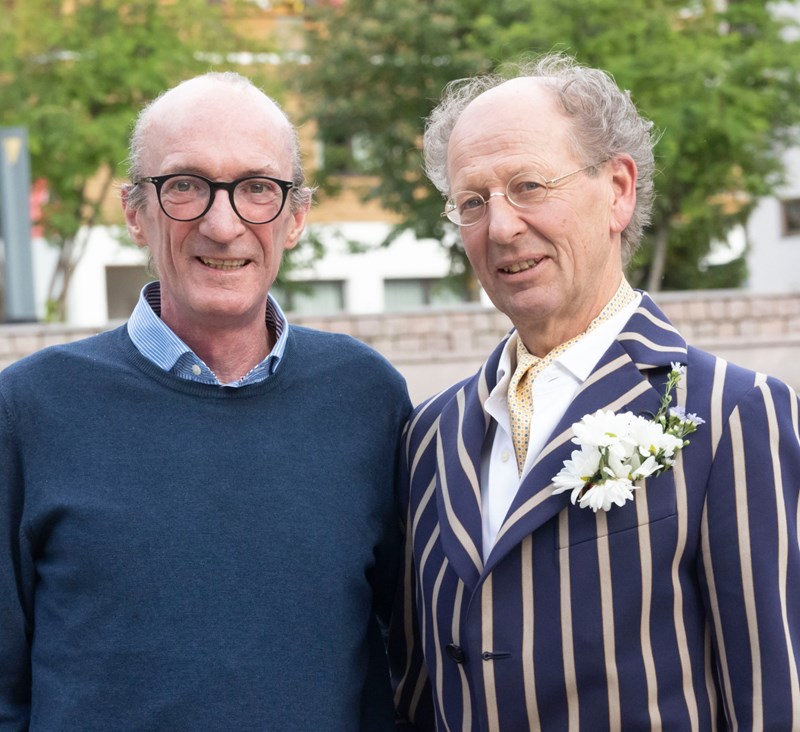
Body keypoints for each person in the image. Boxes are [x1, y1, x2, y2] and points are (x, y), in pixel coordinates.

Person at [390, 54, 800, 731]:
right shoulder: (429, 434)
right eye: (472, 202)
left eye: (527, 185)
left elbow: (775, 699)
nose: (500, 228)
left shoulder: (732, 412)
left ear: (617, 190)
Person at [0, 72, 411, 730]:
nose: (224, 226)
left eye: (257, 188)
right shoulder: (28, 410)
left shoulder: (367, 397)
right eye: (185, 185)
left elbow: (406, 655)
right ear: (136, 212)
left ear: (297, 215)